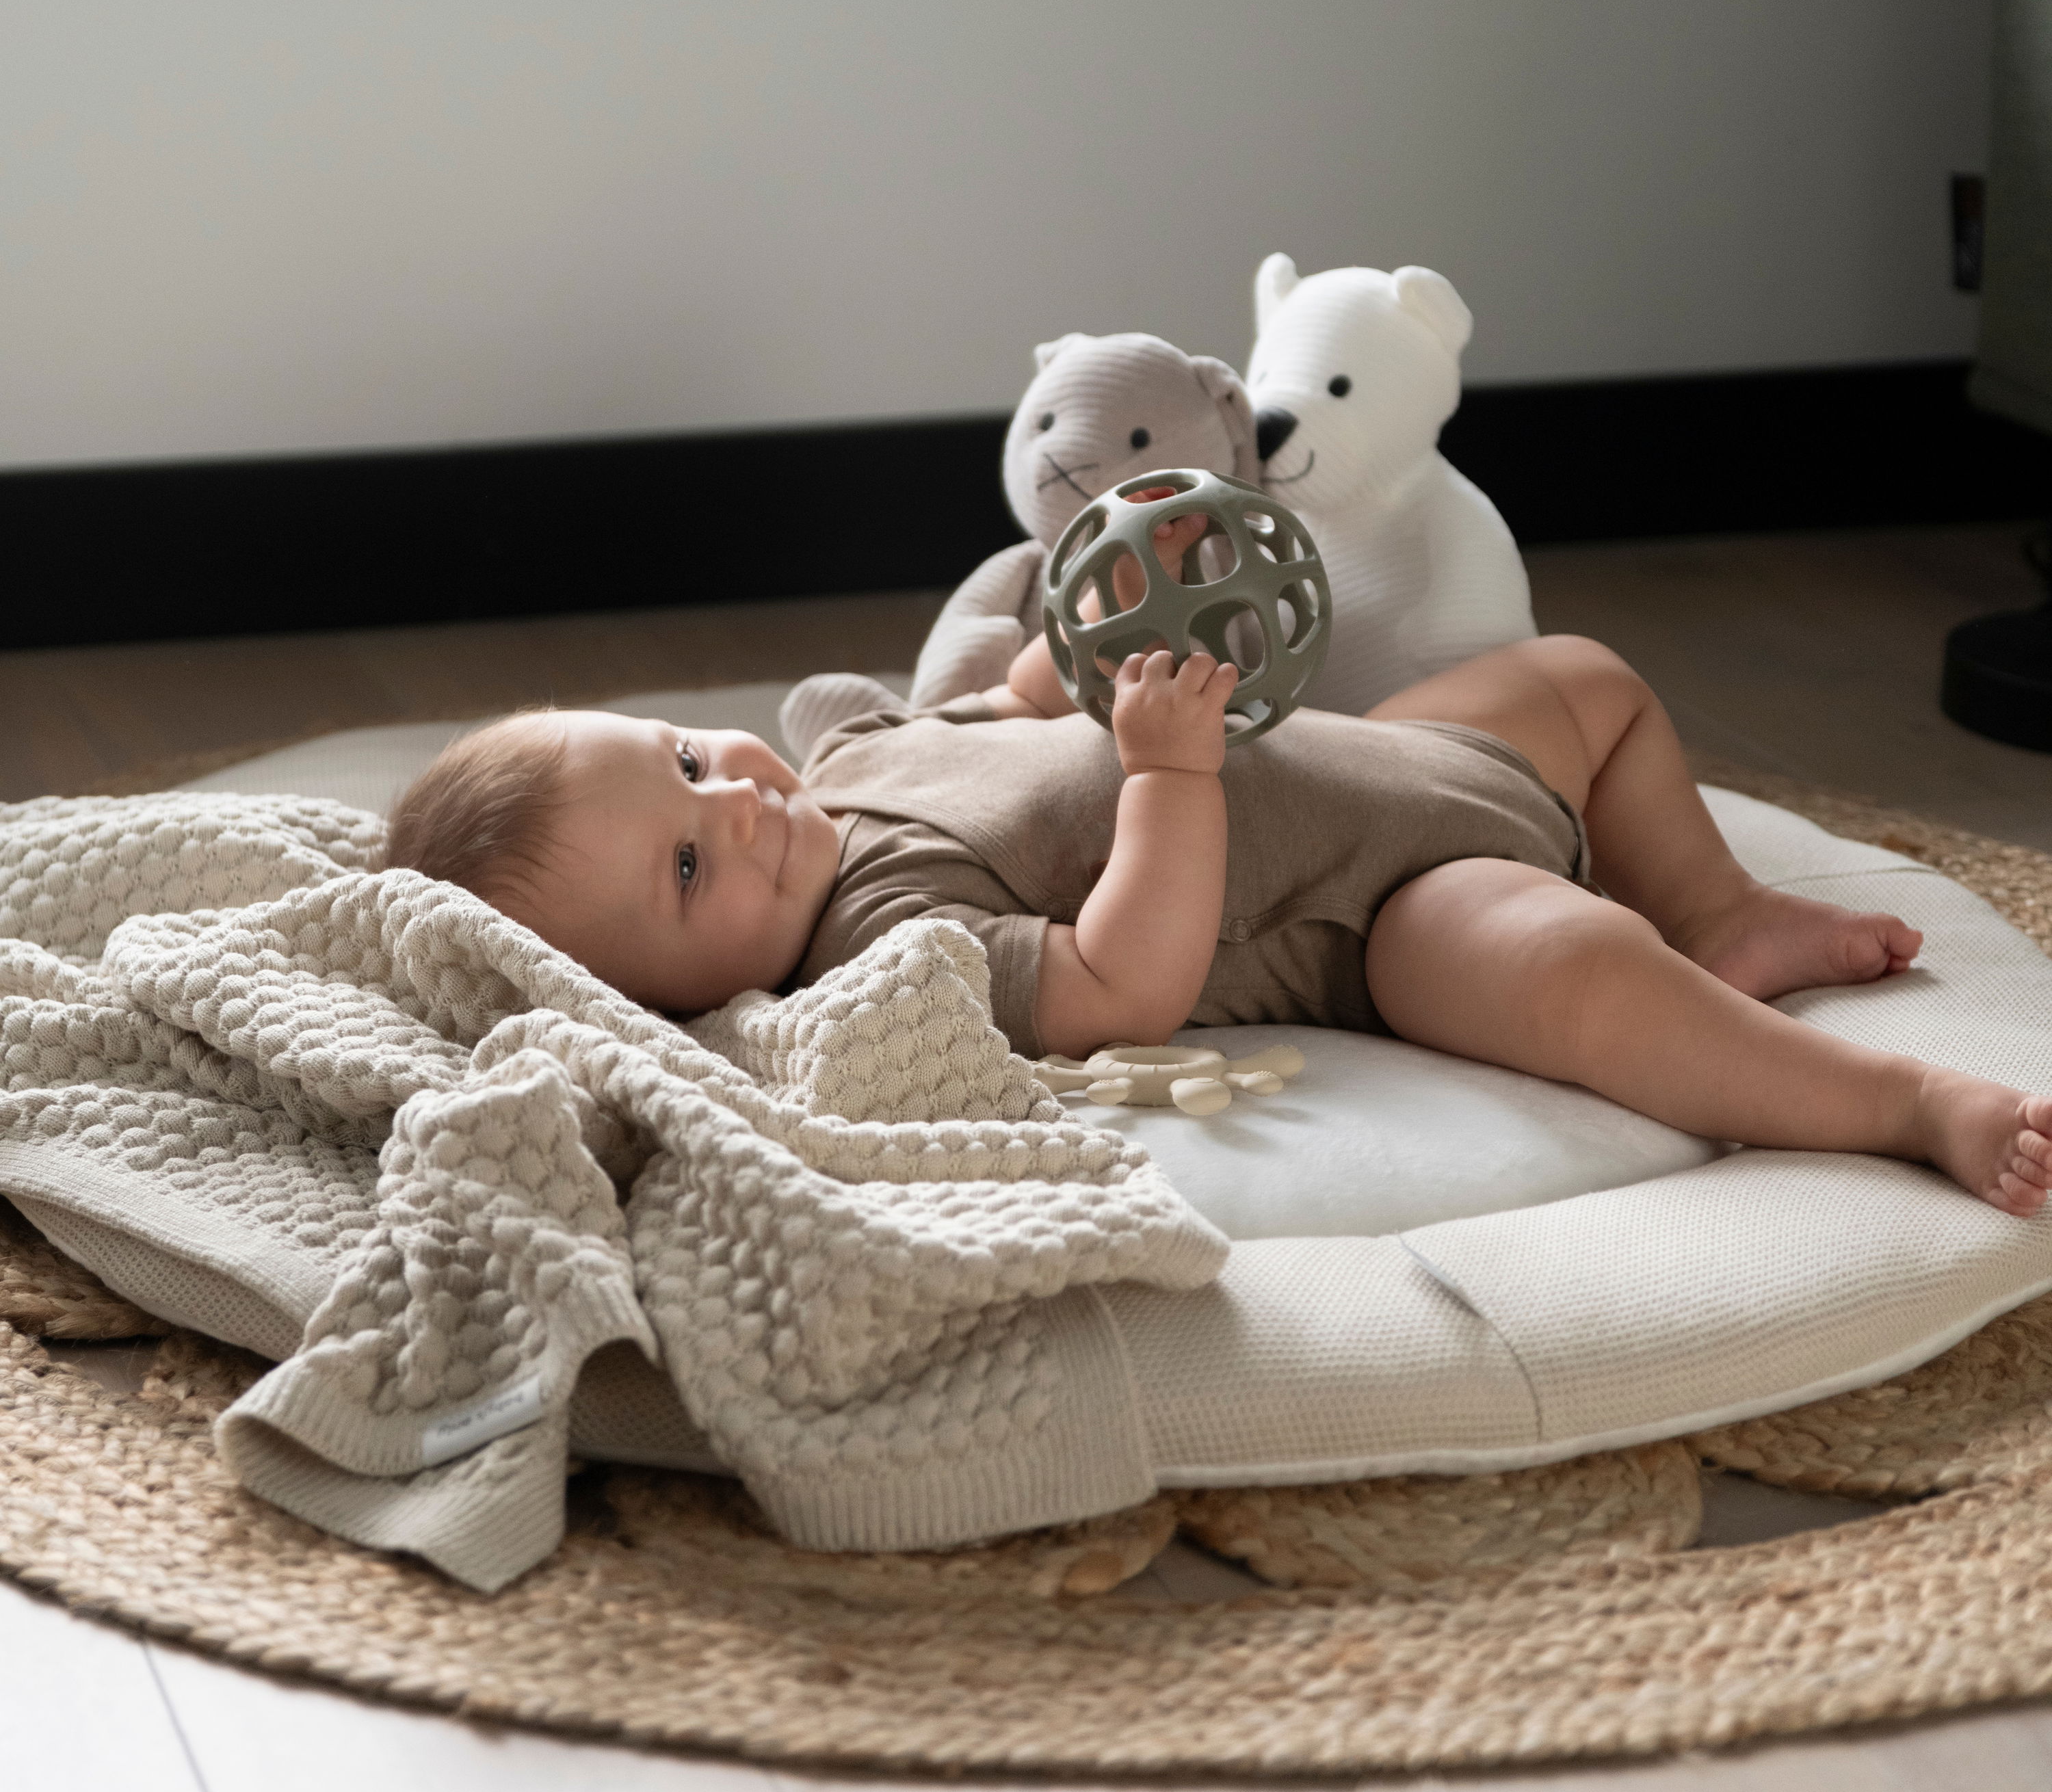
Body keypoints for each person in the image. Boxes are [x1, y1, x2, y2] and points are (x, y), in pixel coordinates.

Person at [387, 528, 2052, 1217]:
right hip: (1385, 915)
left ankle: (1715, 909)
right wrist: (1171, 774)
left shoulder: (849, 763)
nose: (734, 803)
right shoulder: (883, 942)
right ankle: (1896, 1103)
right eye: (688, 868)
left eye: (688, 760)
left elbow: (1027, 698)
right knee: (1560, 967)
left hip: (1404, 762)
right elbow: (1129, 983)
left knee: (1587, 676)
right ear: (679, 994)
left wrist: (1108, 607)